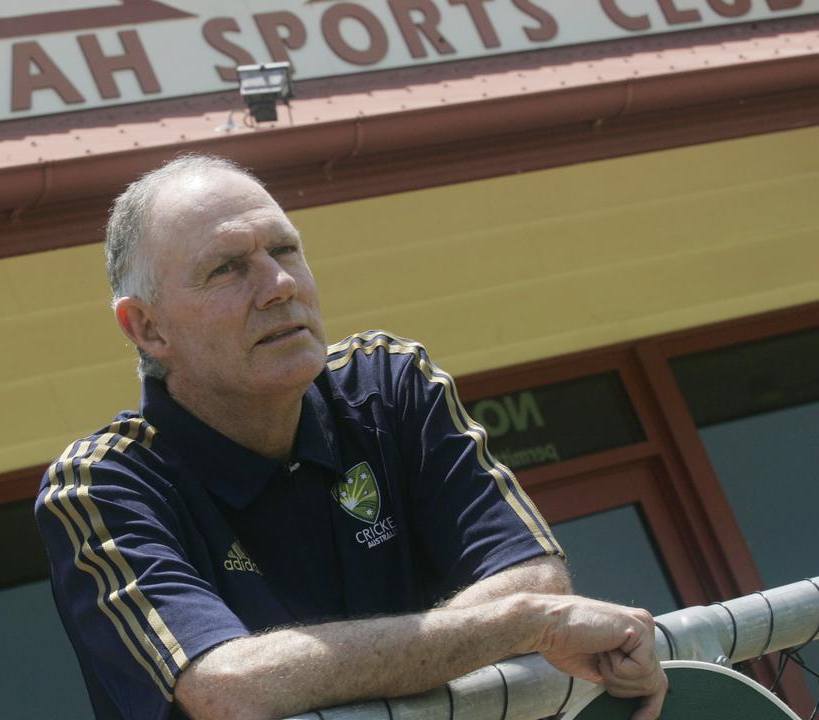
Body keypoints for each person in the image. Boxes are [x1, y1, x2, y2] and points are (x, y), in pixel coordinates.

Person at [34, 155, 667, 720]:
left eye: (284, 250)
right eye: (227, 269)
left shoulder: (387, 382)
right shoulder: (99, 485)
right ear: (146, 327)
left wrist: (359, 672)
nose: (280, 285)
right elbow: (229, 690)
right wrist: (516, 627)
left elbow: (534, 578)